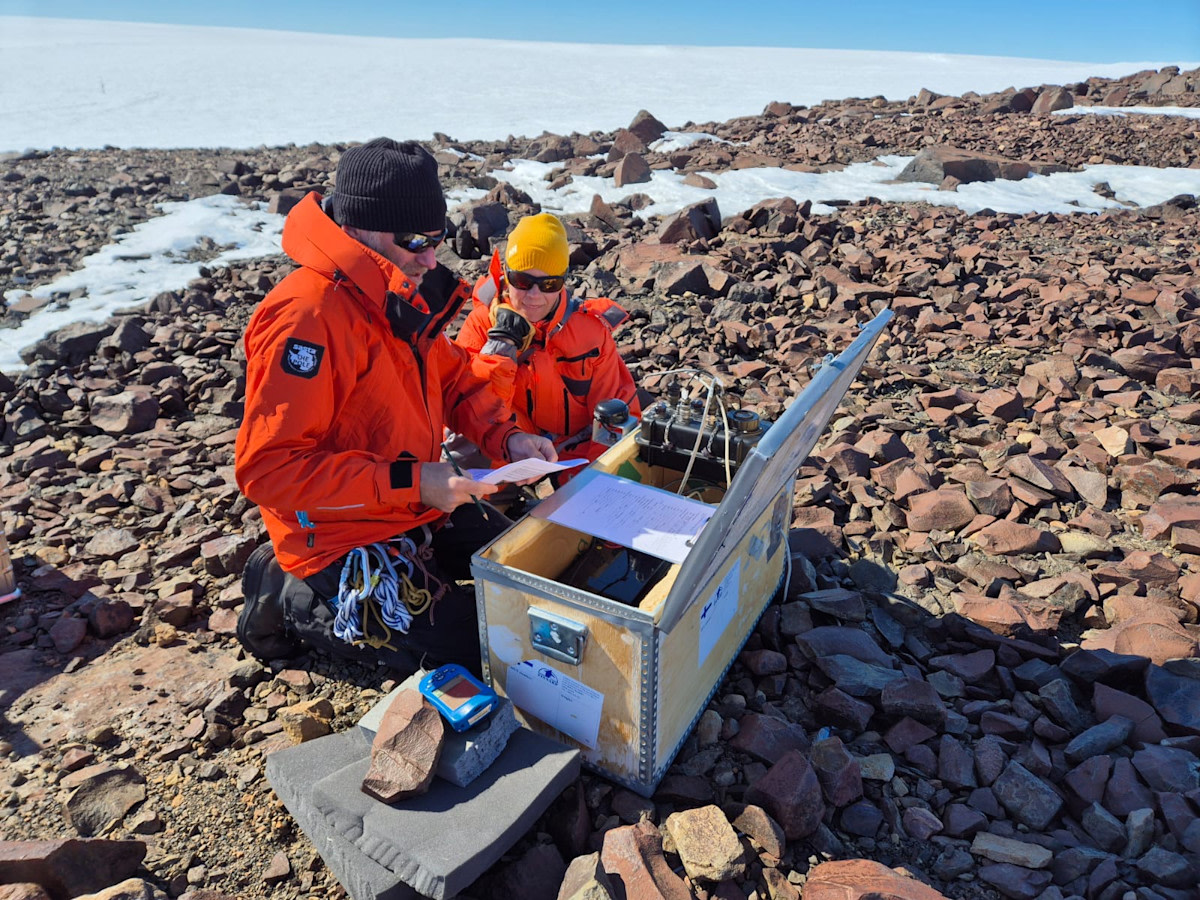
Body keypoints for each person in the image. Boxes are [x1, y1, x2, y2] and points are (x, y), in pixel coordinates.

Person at [234, 137, 556, 676]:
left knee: (532, 575)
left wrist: (508, 439)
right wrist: (414, 480)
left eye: (438, 238)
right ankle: (293, 596)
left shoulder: (397, 288)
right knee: (483, 650)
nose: (431, 257)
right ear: (358, 226)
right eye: (414, 240)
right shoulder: (306, 317)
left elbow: (455, 382)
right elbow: (269, 471)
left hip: (416, 505)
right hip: (341, 536)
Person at [453, 212, 641, 470]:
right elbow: (473, 416)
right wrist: (501, 345)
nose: (534, 295)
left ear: (563, 281)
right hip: (509, 448)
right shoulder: (481, 324)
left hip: (574, 451)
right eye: (522, 281)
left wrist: (586, 482)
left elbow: (616, 419)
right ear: (507, 275)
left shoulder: (591, 331)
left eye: (549, 284)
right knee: (466, 445)